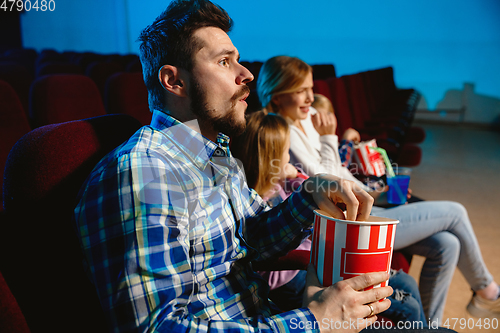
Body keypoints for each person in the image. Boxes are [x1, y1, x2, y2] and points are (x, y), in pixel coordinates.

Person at [73, 2, 395, 332]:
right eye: (224, 62)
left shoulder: (216, 153)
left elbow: (253, 238)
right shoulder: (144, 174)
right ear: (174, 81)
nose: (247, 74)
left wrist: (310, 196)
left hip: (262, 317)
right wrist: (313, 322)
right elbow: (157, 327)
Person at [256, 55, 500, 323]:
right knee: (455, 211)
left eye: (311, 89)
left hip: (363, 203)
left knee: (447, 244)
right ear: (277, 96)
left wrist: (374, 192)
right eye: (301, 91)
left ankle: (432, 326)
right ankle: (487, 291)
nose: (310, 98)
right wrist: (329, 137)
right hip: (349, 221)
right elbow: (325, 183)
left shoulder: (307, 119)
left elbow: (339, 171)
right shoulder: (278, 133)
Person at [232, 110, 428, 326]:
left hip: (324, 260)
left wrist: (295, 175)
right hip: (297, 278)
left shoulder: (281, 185)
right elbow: (265, 266)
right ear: (273, 158)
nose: (290, 158)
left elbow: (310, 190)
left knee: (407, 282)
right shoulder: (260, 201)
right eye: (286, 151)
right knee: (408, 306)